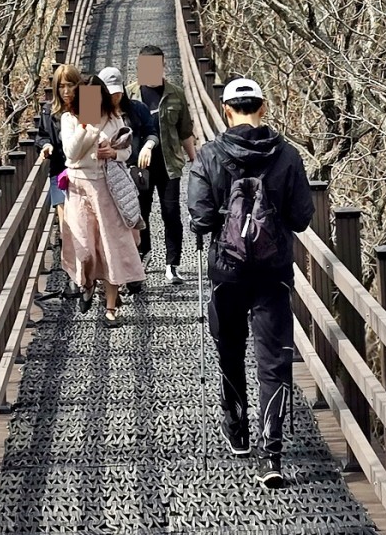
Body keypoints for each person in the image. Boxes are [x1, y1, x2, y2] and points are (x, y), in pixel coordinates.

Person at [187, 76, 314, 489]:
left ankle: (236, 426)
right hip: (274, 271)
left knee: (230, 348)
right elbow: (301, 217)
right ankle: (272, 454)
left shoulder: (209, 155)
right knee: (273, 359)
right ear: (263, 107)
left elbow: (202, 219)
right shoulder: (288, 156)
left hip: (227, 271)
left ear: (227, 110)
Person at [59, 74, 144, 325]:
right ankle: (86, 284)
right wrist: (87, 126)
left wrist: (114, 153)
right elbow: (72, 154)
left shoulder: (114, 117)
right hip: (79, 187)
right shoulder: (70, 119)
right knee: (84, 248)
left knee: (110, 247)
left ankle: (110, 307)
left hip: (107, 188)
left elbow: (127, 150)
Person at [130, 44, 195, 283]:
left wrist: (195, 161)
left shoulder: (176, 94)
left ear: (163, 65)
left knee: (171, 213)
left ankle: (172, 264)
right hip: (139, 167)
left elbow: (186, 130)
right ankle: (143, 256)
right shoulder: (130, 95)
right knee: (140, 213)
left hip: (169, 165)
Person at [98, 66, 152, 293]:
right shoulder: (93, 113)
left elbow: (147, 133)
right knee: (114, 228)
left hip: (131, 174)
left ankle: (135, 270)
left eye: (117, 92)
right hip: (101, 178)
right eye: (109, 92)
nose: (114, 96)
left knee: (135, 221)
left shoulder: (136, 110)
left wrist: (147, 146)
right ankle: (117, 277)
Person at [38, 64, 81, 233]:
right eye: (61, 86)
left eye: (70, 85)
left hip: (85, 171)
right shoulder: (49, 110)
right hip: (59, 171)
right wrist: (46, 145)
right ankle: (68, 259)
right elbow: (42, 136)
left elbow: (97, 132)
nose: (66, 91)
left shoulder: (89, 102)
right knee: (67, 228)